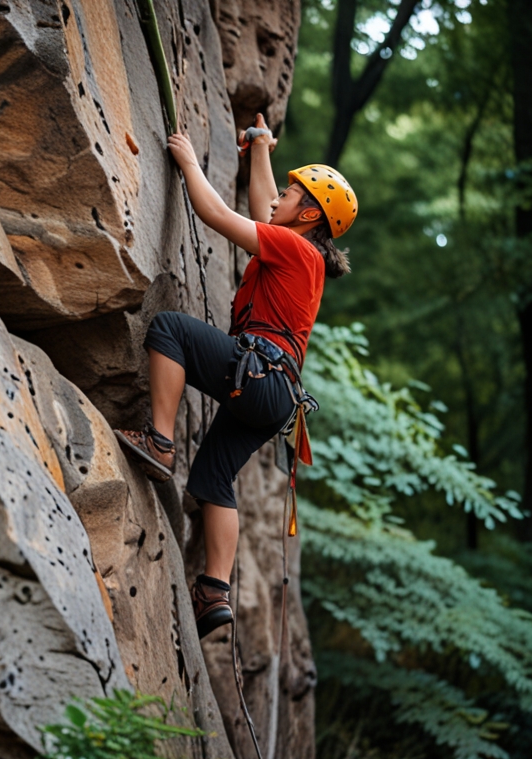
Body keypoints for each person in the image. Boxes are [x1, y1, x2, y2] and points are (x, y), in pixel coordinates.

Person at [114, 114, 357, 639]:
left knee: (171, 331)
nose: (280, 198)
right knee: (213, 478)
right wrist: (263, 148)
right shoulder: (300, 250)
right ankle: (214, 591)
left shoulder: (293, 248)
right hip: (278, 398)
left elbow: (215, 212)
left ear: (309, 213)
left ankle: (158, 441)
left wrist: (186, 162)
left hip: (260, 371)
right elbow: (264, 206)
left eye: (293, 194)